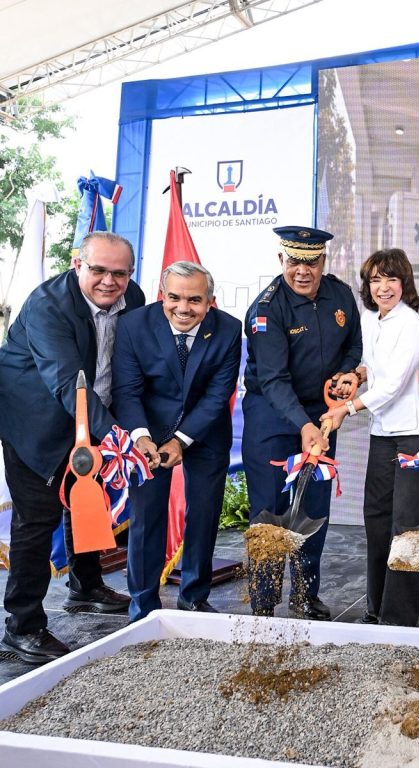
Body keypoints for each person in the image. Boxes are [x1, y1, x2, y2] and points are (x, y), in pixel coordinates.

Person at [0, 232, 143, 663]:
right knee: (37, 518)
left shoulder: (133, 298)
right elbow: (66, 383)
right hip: (34, 421)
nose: (109, 281)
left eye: (120, 273)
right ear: (77, 263)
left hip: (93, 416)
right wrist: (119, 438)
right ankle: (22, 626)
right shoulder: (48, 305)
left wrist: (123, 430)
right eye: (98, 270)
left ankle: (86, 587)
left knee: (87, 501)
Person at [241, 226, 362, 620]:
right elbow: (273, 380)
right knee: (270, 510)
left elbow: (354, 346)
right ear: (282, 259)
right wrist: (302, 425)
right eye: (294, 261)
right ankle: (263, 602)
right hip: (272, 416)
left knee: (314, 506)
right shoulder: (266, 309)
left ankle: (306, 594)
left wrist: (347, 374)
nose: (302, 271)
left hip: (322, 413)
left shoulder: (340, 295)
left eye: (311, 262)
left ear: (323, 261)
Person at [112, 262, 242, 621]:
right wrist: (141, 437)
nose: (183, 308)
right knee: (146, 517)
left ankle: (194, 598)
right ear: (162, 295)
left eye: (194, 300)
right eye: (174, 298)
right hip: (148, 433)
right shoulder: (133, 325)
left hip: (205, 431)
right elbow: (127, 391)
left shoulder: (229, 329)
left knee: (204, 514)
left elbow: (218, 394)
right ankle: (143, 605)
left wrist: (181, 441)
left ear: (210, 301)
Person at [321, 249, 419, 627]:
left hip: (412, 434)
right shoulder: (372, 319)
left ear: (405, 283)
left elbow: (394, 384)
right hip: (382, 431)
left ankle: (399, 618)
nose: (383, 288)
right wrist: (355, 375)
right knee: (377, 518)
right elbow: (371, 366)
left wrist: (346, 409)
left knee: (407, 525)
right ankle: (376, 607)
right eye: (375, 280)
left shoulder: (412, 324)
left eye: (391, 279)